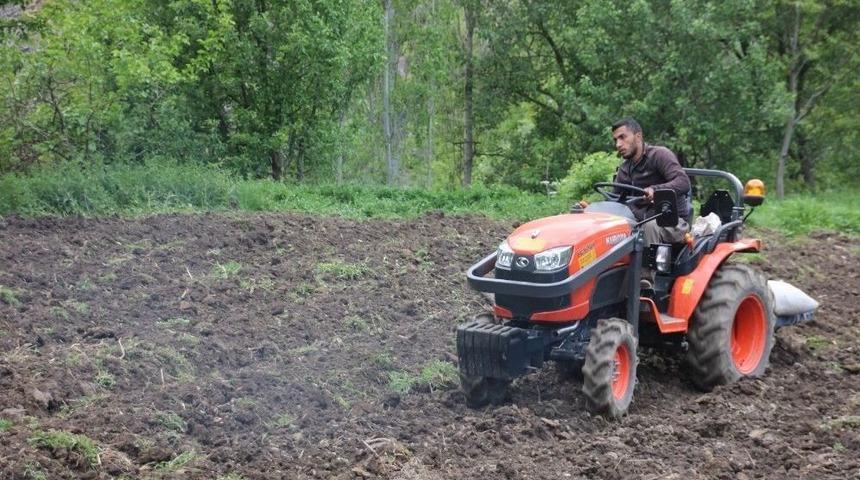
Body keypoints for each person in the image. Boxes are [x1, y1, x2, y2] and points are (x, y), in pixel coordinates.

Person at [610, 117, 690, 246]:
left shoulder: (659, 155)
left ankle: (648, 267)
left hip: (671, 221)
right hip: (638, 220)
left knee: (649, 227)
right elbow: (614, 199)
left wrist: (655, 190)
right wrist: (593, 210)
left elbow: (683, 182)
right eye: (615, 140)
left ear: (638, 136)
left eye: (622, 137)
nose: (618, 144)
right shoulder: (624, 169)